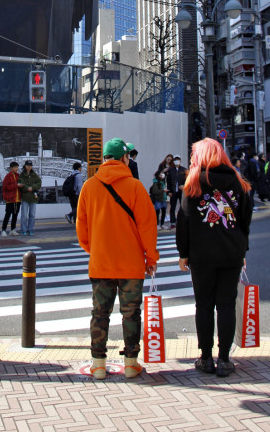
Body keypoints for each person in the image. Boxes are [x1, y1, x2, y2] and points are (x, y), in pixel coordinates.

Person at [77, 137, 159, 380]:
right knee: (131, 313)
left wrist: (95, 249)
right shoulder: (135, 187)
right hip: (131, 264)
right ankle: (131, 364)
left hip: (101, 262)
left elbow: (82, 229)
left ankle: (98, 364)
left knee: (100, 313)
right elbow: (148, 226)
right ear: (124, 158)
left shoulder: (89, 186)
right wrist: (151, 257)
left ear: (104, 159)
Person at [176, 138, 252, 378]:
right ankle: (226, 359)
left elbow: (184, 222)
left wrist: (183, 253)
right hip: (231, 252)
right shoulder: (237, 181)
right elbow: (245, 220)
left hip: (201, 255)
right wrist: (243, 251)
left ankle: (206, 358)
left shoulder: (194, 182)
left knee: (204, 305)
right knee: (227, 304)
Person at [19, 160, 41, 236]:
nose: (29, 167)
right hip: (25, 197)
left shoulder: (34, 175)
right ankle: (23, 229)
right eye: (28, 165)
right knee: (24, 214)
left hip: (33, 197)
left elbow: (39, 182)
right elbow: (20, 184)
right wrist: (27, 188)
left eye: (30, 165)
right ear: (25, 166)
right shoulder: (22, 175)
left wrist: (33, 187)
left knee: (32, 214)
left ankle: (30, 229)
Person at [1, 161, 22, 236]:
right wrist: (16, 185)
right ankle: (3, 230)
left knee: (15, 215)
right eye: (15, 167)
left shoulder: (18, 176)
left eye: (17, 167)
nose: (17, 169)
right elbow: (6, 187)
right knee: (8, 214)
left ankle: (13, 229)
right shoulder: (8, 176)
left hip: (17, 199)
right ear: (11, 168)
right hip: (10, 199)